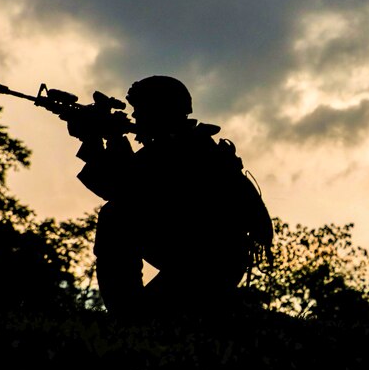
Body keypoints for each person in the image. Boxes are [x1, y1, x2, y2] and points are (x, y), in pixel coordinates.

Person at [68, 75, 273, 321]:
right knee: (147, 315)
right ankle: (132, 314)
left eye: (140, 111)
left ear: (160, 111)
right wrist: (100, 138)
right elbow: (128, 184)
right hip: (197, 257)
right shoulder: (178, 145)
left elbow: (121, 188)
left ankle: (125, 315)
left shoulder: (185, 149)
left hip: (207, 263)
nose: (135, 118)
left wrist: (103, 138)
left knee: (114, 216)